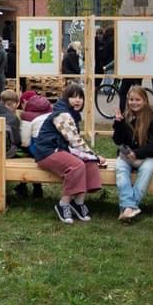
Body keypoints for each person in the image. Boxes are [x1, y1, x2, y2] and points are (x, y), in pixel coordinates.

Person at [29, 84, 107, 224]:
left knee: (89, 163)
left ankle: (78, 203)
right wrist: (94, 155)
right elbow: (75, 141)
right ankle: (63, 204)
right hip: (47, 152)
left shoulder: (72, 113)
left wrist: (92, 158)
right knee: (77, 165)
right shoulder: (62, 114)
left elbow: (73, 143)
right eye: (73, 97)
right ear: (66, 98)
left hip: (61, 149)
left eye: (80, 97)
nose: (77, 100)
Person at [112, 85, 153, 221]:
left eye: (138, 100)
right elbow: (118, 140)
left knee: (146, 170)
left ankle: (128, 207)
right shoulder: (126, 117)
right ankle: (130, 208)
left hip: (149, 157)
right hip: (128, 156)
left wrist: (136, 153)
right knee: (120, 170)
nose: (134, 103)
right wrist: (118, 124)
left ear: (145, 101)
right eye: (131, 100)